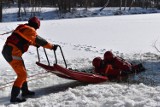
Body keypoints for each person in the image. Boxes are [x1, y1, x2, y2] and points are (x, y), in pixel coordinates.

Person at [2, 16, 58, 103]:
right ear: (37, 25)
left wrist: (35, 44)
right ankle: (14, 98)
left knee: (23, 71)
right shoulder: (30, 30)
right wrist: (52, 47)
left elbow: (25, 39)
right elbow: (40, 41)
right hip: (12, 53)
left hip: (9, 51)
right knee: (22, 75)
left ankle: (25, 91)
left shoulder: (23, 28)